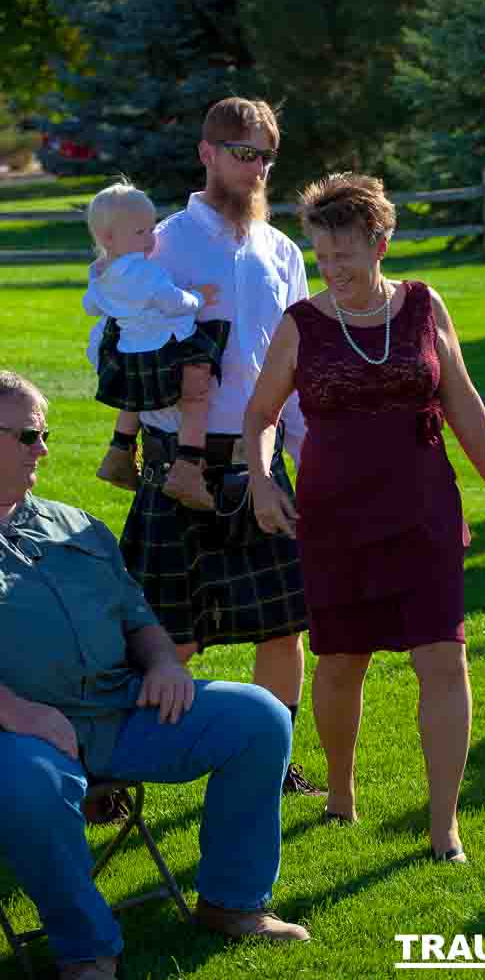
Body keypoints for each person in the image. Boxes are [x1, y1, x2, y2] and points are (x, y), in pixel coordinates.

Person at [243, 173, 485, 862]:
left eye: (344, 255)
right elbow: (259, 416)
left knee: (444, 659)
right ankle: (340, 793)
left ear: (381, 243)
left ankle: (442, 826)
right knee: (340, 664)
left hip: (423, 507)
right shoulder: (301, 323)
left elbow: (461, 402)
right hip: (334, 515)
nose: (331, 269)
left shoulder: (425, 307)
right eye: (321, 256)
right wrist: (258, 478)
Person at [0, 370, 310, 980]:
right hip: (20, 733)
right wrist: (17, 712)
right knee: (28, 788)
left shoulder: (74, 525)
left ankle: (232, 903)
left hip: (119, 709)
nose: (44, 449)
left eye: (44, 434)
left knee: (258, 717)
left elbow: (136, 616)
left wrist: (163, 660)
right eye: (29, 436)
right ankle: (87, 948)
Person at [118, 98, 321, 796]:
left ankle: (274, 759)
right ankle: (129, 766)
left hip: (261, 460)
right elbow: (111, 343)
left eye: (266, 154)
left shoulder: (281, 250)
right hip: (180, 458)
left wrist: (304, 449)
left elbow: (291, 363)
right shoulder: (162, 243)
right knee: (169, 631)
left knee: (285, 622)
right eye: (244, 152)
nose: (257, 167)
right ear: (206, 152)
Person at [84, 180, 229, 511]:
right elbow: (172, 301)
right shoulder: (145, 272)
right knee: (197, 394)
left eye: (151, 229)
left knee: (137, 397)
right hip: (167, 345)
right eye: (140, 233)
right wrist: (199, 297)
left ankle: (119, 451)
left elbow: (91, 306)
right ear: (109, 238)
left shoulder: (101, 273)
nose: (151, 239)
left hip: (131, 350)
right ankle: (189, 469)